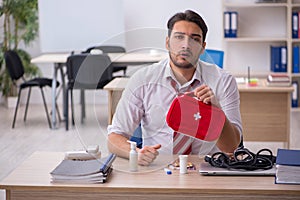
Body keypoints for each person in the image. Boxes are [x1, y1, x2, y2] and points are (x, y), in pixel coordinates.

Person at [107, 10, 242, 166]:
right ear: (167, 42)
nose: (186, 45)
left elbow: (232, 147)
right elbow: (114, 138)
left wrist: (216, 114)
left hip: (207, 168)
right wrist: (135, 153)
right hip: (158, 168)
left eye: (194, 39)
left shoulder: (223, 81)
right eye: (179, 37)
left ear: (202, 47)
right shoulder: (142, 80)